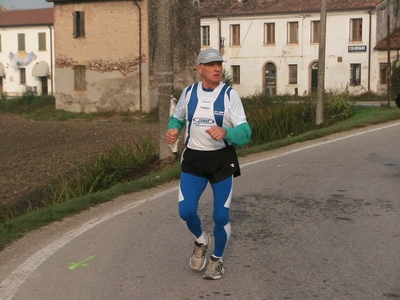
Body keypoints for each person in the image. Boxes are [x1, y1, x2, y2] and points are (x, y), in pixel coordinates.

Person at [165, 48, 252, 280]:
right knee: (186, 211)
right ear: (199, 69)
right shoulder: (189, 93)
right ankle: (202, 241)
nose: (217, 69)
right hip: (194, 159)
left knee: (221, 216)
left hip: (221, 161)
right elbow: (178, 117)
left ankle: (217, 259)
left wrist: (226, 132)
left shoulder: (229, 95)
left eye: (219, 65)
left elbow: (245, 133)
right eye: (211, 65)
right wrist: (173, 129)